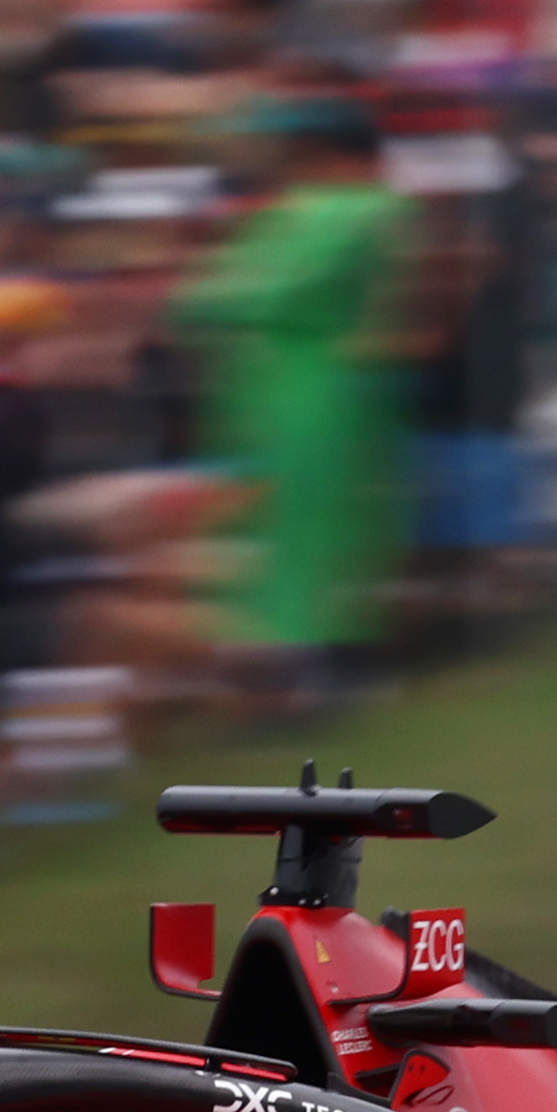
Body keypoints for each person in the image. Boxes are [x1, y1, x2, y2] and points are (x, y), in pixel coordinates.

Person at [175, 100, 415, 708]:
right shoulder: (373, 210)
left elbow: (236, 292)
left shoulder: (337, 209)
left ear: (325, 157)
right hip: (333, 381)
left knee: (292, 531)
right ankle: (342, 665)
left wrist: (212, 302)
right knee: (337, 527)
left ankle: (298, 682)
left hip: (295, 384)